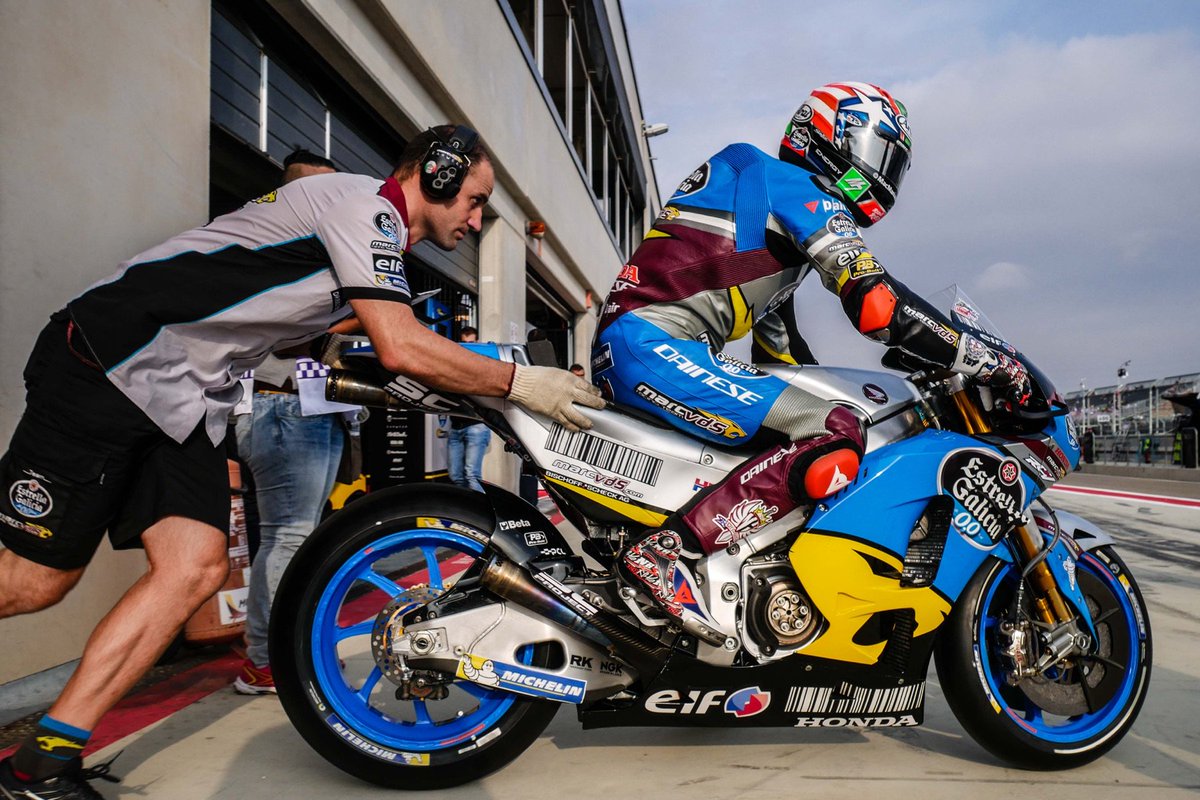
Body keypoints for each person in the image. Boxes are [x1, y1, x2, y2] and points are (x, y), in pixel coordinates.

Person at [0, 124, 602, 798]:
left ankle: (44, 764)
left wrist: (446, 382)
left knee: (194, 567)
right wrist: (523, 383)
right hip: (111, 362)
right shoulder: (365, 208)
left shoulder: (372, 248)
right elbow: (402, 346)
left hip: (185, 399)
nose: (477, 217)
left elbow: (342, 342)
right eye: (475, 198)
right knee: (30, 584)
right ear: (436, 173)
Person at [592, 82, 1031, 632]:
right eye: (878, 153)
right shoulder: (797, 187)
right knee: (836, 432)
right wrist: (980, 358)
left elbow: (782, 358)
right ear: (830, 137)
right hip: (652, 345)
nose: (882, 174)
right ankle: (667, 551)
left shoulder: (768, 217)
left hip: (644, 345)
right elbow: (878, 307)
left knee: (819, 419)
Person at [232, 148, 345, 695]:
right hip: (281, 406)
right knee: (288, 537)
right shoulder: (276, 245)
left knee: (295, 537)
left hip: (301, 406)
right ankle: (267, 660)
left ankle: (280, 652)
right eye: (318, 191)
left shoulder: (305, 248)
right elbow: (283, 330)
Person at [446, 326, 492, 492]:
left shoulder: (484, 364)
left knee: (472, 475)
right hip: (456, 426)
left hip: (476, 426)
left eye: (471, 343)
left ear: (477, 342)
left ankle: (480, 515)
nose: (468, 346)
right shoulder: (453, 365)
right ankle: (464, 515)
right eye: (464, 343)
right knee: (455, 476)